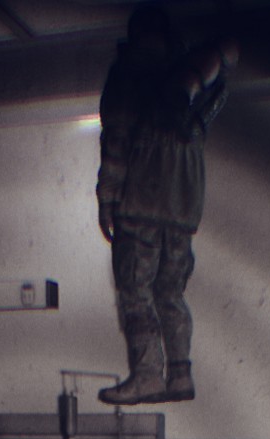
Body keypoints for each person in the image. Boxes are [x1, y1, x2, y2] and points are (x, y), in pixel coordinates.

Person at [95, 3, 236, 406]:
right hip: (183, 209)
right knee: (170, 293)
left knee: (135, 291)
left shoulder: (129, 73)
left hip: (140, 201)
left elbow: (117, 143)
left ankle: (146, 377)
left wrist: (107, 199)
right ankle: (179, 374)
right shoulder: (189, 78)